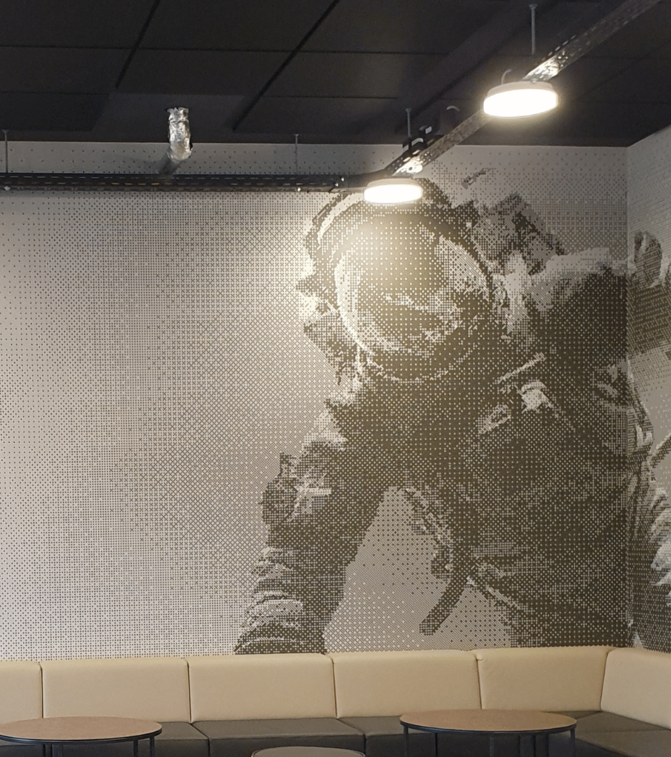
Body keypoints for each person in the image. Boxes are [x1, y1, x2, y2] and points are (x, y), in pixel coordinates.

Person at [235, 179, 671, 655]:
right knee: (577, 700)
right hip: (544, 601)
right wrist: (275, 650)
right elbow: (300, 558)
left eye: (413, 261)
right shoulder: (369, 417)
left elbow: (655, 303)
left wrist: (656, 297)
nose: (408, 302)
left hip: (638, 528)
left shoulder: (546, 307)